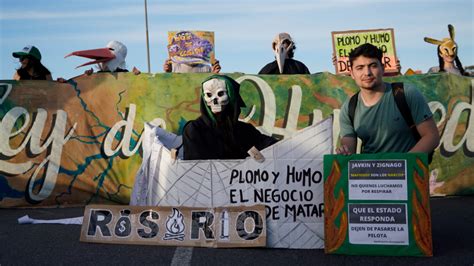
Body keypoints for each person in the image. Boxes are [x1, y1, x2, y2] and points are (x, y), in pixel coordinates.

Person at [336, 43, 439, 156]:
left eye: (373, 65)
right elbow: (348, 149)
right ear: (352, 73)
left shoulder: (406, 94)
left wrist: (403, 163)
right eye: (360, 68)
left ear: (383, 68)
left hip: (408, 171)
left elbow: (431, 136)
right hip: (369, 172)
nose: (367, 73)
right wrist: (344, 152)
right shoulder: (349, 107)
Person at [183, 75, 277, 160]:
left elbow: (270, 146)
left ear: (232, 97)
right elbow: (196, 167)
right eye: (209, 95)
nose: (214, 101)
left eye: (220, 94)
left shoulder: (244, 130)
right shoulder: (195, 130)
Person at [58, 41, 140, 82]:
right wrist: (86, 79)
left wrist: (137, 77)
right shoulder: (97, 76)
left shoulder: (125, 74)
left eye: (111, 49)